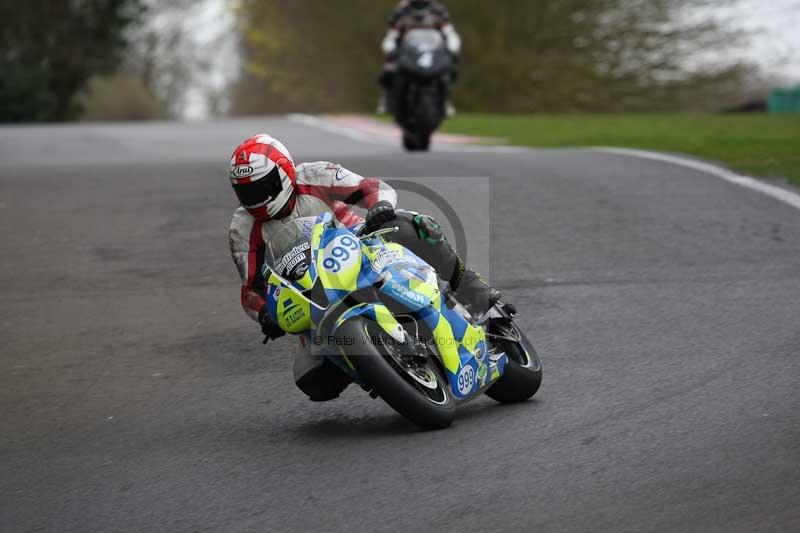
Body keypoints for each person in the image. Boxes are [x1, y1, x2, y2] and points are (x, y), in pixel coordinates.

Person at [228, 133, 500, 401]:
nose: (255, 199)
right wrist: (264, 312)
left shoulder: (314, 175)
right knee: (313, 380)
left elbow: (369, 186)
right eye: (246, 193)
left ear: (284, 172)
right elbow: (251, 289)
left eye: (262, 188)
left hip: (360, 245)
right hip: (312, 292)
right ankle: (374, 365)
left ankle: (474, 291)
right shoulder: (242, 229)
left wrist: (379, 206)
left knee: (413, 228)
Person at [378, 0, 461, 114]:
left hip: (432, 52)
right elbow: (392, 34)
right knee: (388, 70)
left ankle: (445, 100)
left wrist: (452, 48)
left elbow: (449, 32)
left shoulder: (438, 10)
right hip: (406, 52)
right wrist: (390, 48)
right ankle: (386, 100)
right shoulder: (401, 10)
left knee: (450, 70)